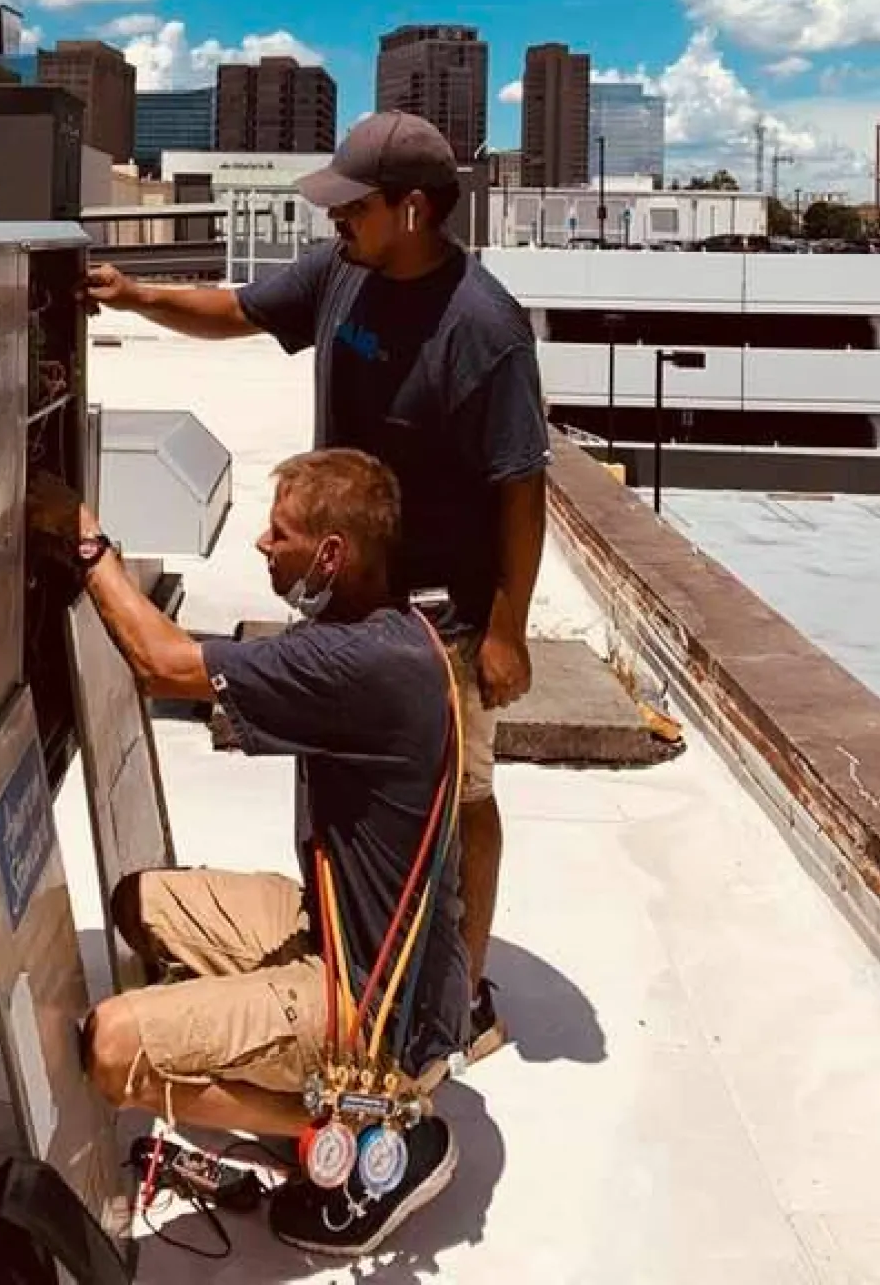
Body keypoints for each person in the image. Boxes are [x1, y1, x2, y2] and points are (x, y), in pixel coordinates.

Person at [85, 111, 549, 1058]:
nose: (335, 218)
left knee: (463, 794)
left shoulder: (485, 328)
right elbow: (237, 311)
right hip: (346, 600)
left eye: (354, 204)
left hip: (439, 617)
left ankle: (455, 994)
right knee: (348, 786)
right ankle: (356, 952)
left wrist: (509, 628)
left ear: (412, 209)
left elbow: (522, 488)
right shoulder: (345, 272)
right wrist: (133, 293)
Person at [41, 448, 466, 1262]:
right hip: (350, 938)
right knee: (139, 903)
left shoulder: (356, 665)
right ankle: (279, 1058)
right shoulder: (394, 633)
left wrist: (86, 541)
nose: (263, 545)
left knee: (111, 1049)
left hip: (368, 1006)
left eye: (282, 533)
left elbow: (162, 661)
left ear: (332, 555)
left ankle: (365, 1122)